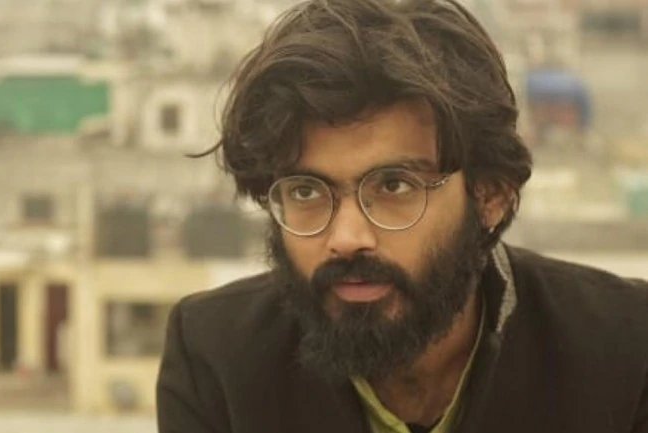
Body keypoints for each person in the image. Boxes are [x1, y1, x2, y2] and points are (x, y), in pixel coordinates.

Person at [156, 0, 648, 432]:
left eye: (394, 186)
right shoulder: (216, 359)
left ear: (490, 194)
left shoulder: (623, 349)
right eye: (306, 191)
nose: (347, 237)